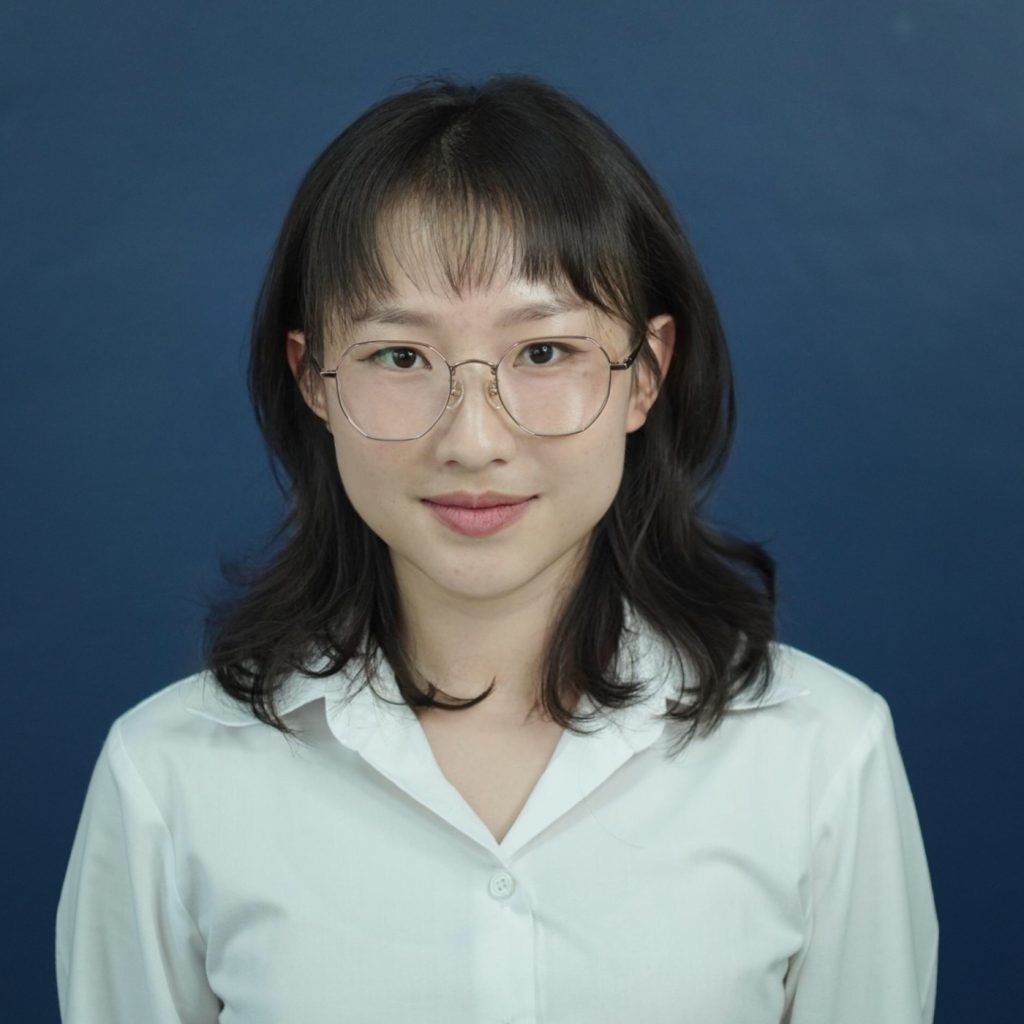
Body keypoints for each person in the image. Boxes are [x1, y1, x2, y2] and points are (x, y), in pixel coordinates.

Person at [55, 74, 939, 1023]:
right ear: (314, 380)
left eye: (543, 353)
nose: (473, 439)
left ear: (645, 375)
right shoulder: (169, 776)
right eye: (401, 356)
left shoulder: (821, 756)